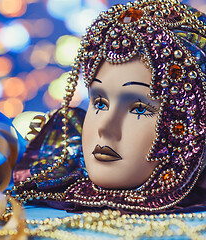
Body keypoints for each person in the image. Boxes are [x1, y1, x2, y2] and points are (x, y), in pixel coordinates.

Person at [11, 0, 206, 212]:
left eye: (139, 108)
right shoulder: (39, 185)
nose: (105, 128)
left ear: (191, 126)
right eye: (100, 103)